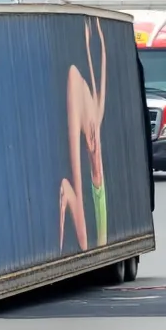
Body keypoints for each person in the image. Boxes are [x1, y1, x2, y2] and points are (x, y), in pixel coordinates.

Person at [59, 19, 109, 252]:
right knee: (100, 232)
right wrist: (93, 43)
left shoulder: (95, 119)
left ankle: (91, 244)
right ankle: (91, 244)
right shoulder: (95, 119)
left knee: (100, 232)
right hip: (96, 184)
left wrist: (92, 43)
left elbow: (99, 75)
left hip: (97, 185)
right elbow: (99, 75)